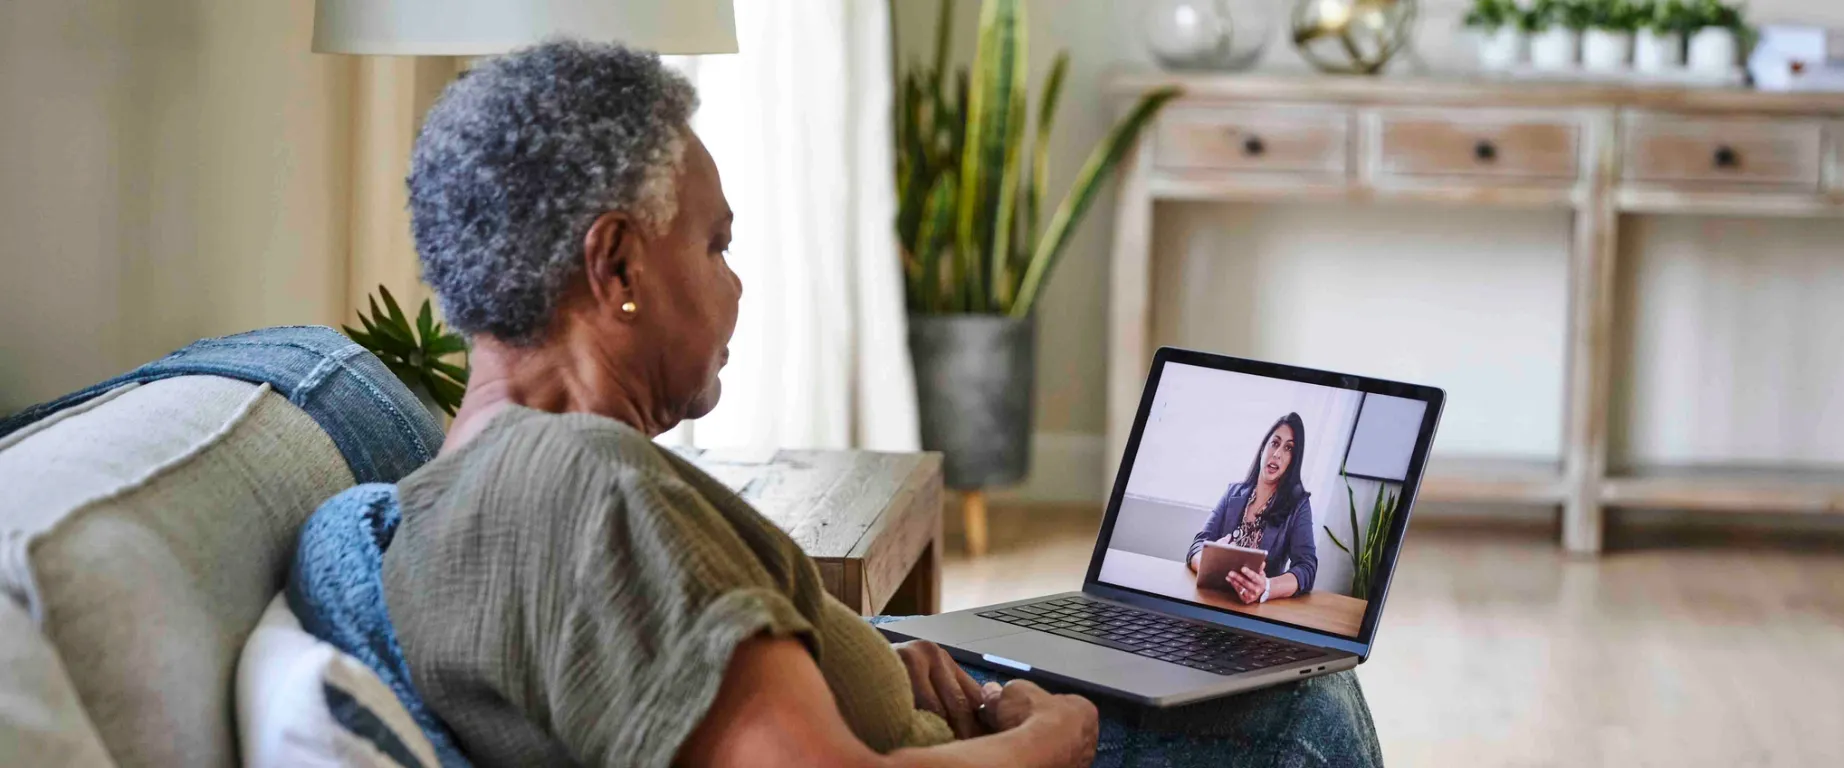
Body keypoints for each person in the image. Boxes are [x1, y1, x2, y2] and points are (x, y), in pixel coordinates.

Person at [381, 40, 1379, 768]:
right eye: (715, 245)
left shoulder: (454, 488)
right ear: (618, 265)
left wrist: (873, 654)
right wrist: (1048, 734)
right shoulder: (588, 488)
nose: (736, 285)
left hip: (942, 713)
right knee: (1305, 717)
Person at [1187, 413, 1321, 606]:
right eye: (1274, 443)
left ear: (1293, 460)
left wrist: (1266, 587)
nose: (1277, 454)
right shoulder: (1233, 493)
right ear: (1263, 448)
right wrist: (1209, 565)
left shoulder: (1298, 506)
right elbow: (1198, 544)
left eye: (1288, 448)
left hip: (1254, 610)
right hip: (1211, 599)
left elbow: (1307, 568)